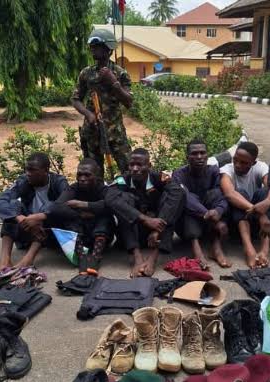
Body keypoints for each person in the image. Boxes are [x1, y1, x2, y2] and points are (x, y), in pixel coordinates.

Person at [105, 148, 185, 278]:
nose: (135, 169)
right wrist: (144, 219)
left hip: (156, 233)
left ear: (149, 166)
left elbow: (178, 192)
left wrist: (157, 228)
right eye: (132, 165)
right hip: (132, 231)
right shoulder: (122, 180)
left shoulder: (159, 178)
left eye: (140, 165)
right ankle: (137, 258)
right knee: (123, 200)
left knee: (173, 199)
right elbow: (109, 197)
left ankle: (153, 257)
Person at [71, 28, 133, 175]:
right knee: (94, 174)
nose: (93, 50)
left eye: (97, 47)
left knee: (129, 169)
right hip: (92, 131)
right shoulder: (86, 73)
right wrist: (88, 114)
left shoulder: (120, 73)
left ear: (108, 49)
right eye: (92, 47)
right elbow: (75, 99)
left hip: (115, 132)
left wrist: (113, 82)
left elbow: (128, 102)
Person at [0, 152, 68, 269]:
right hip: (26, 228)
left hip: (50, 232)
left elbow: (65, 205)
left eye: (32, 170)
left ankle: (28, 260)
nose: (28, 173)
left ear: (46, 170)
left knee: (50, 207)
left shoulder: (59, 182)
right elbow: (1, 202)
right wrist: (20, 218)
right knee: (13, 205)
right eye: (27, 169)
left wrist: (39, 217)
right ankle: (5, 261)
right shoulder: (23, 181)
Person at [173, 139, 231, 269]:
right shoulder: (179, 174)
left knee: (216, 193)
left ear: (207, 155)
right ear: (187, 157)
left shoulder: (214, 171)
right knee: (186, 198)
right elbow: (186, 198)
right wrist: (208, 215)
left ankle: (216, 247)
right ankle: (196, 250)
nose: (199, 157)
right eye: (194, 154)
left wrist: (218, 211)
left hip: (210, 224)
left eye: (202, 153)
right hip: (188, 227)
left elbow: (224, 195)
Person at [50, 159, 114, 275]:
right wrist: (80, 214)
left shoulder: (104, 189)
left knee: (105, 219)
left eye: (87, 175)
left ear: (97, 176)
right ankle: (82, 258)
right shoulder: (73, 188)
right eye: (79, 174)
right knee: (69, 221)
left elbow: (112, 204)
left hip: (101, 236)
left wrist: (83, 204)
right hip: (80, 235)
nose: (82, 178)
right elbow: (56, 207)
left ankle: (95, 257)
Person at [220, 141, 270, 268]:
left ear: (253, 163)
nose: (237, 165)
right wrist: (260, 214)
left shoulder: (261, 167)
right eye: (235, 160)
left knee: (264, 192)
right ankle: (249, 249)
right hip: (237, 222)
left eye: (244, 163)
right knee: (239, 193)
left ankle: (264, 250)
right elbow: (230, 194)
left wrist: (263, 207)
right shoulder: (226, 170)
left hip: (260, 224)